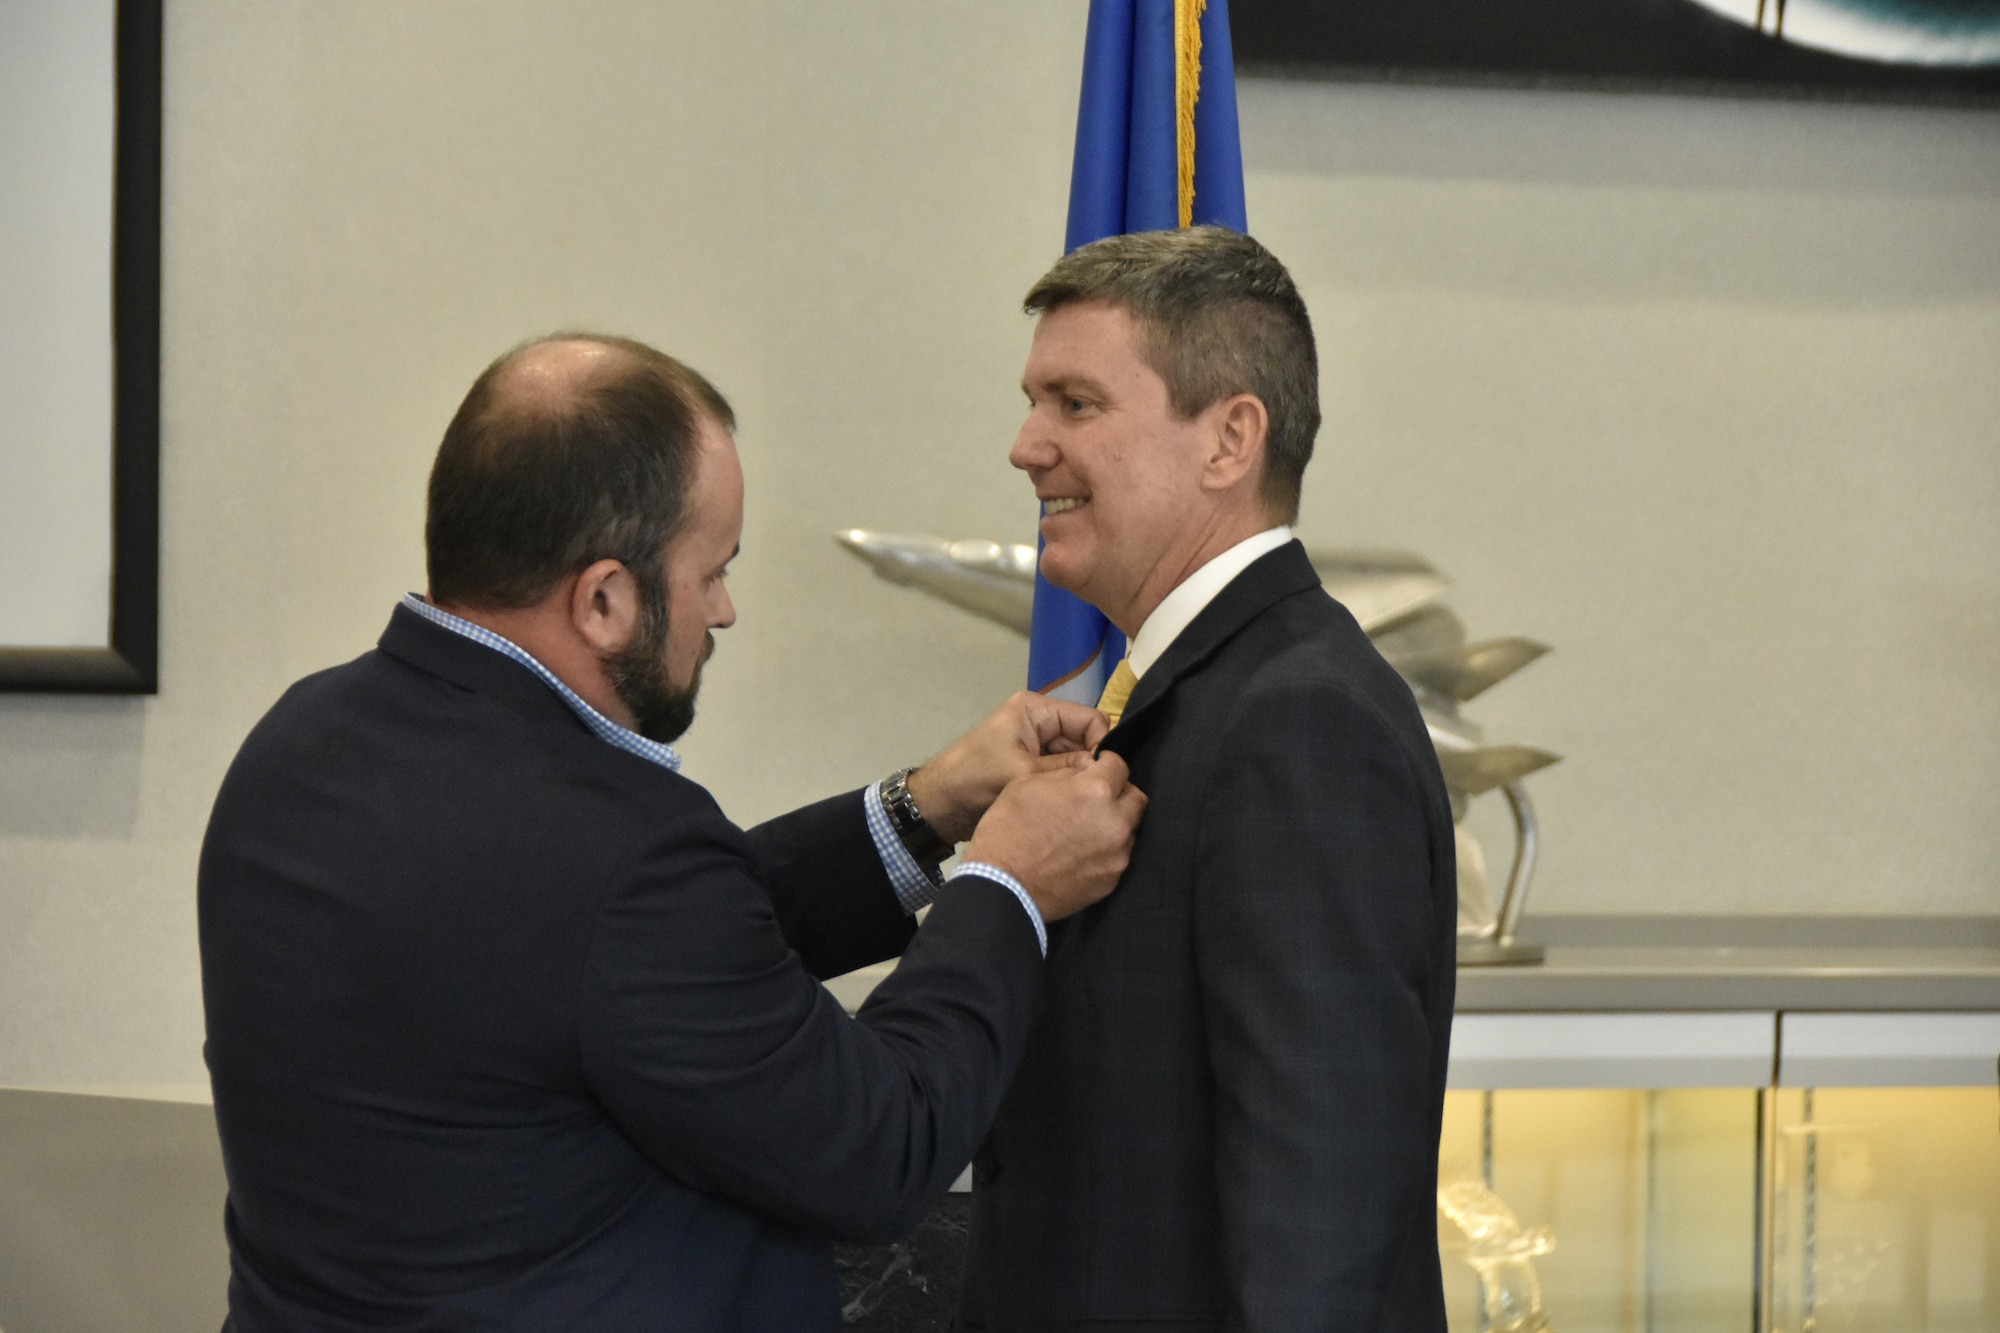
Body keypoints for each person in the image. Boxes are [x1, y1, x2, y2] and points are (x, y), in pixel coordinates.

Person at [197, 334, 1146, 1332]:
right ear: (605, 597)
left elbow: (616, 972)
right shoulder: (618, 854)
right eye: (712, 572)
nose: (723, 613)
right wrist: (1006, 883)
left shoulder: (295, 743)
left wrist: (923, 805)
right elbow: (881, 1151)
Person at [957, 228, 1458, 1331]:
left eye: (1074, 404)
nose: (1024, 446)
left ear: (1229, 438)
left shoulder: (1298, 721)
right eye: (1033, 401)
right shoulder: (1201, 689)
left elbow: (1313, 1221)